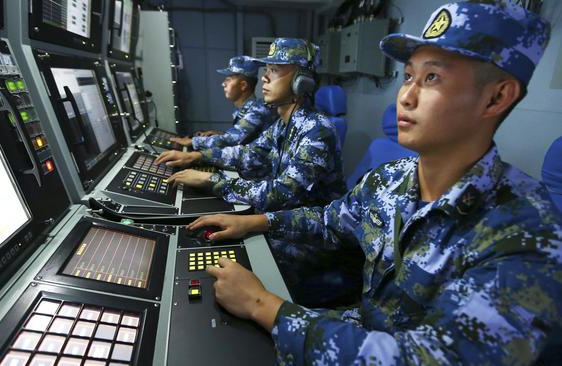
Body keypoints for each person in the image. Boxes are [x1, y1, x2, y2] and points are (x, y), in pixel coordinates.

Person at [187, 1, 562, 364]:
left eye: (432, 78)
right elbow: (331, 220)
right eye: (408, 76)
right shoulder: (391, 177)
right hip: (365, 328)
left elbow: (427, 359)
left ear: (497, 97)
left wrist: (262, 305)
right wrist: (256, 222)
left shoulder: (527, 232)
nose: (406, 96)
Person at [154, 38, 346, 213]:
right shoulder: (282, 125)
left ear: (301, 82)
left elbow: (281, 194)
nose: (265, 77)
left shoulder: (317, 131)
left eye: (274, 70)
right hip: (283, 217)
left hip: (310, 235)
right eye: (267, 69)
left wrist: (210, 180)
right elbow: (250, 154)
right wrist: (197, 156)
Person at [170, 56, 277, 150]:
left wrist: (192, 141)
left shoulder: (257, 110)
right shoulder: (245, 109)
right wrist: (221, 135)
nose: (223, 84)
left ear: (243, 85)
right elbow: (245, 138)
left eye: (228, 80)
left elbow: (232, 140)